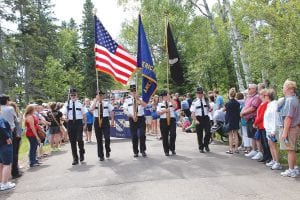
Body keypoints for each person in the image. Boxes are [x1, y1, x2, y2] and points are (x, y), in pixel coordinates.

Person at [279, 80, 300, 178]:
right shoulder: (295, 99)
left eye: (283, 87)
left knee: (290, 150)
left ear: (287, 88)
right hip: (295, 127)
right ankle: (295, 168)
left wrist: (284, 132)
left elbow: (288, 117)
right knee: (292, 149)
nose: (283, 89)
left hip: (290, 128)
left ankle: (291, 170)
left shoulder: (289, 100)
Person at [62, 88, 87, 165]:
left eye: (74, 95)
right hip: (70, 123)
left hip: (79, 123)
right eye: (71, 95)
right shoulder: (67, 104)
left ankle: (81, 152)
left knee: (79, 139)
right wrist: (64, 117)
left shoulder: (80, 103)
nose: (73, 96)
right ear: (70, 95)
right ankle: (75, 158)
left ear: (77, 95)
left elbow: (84, 114)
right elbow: (63, 113)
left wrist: (85, 124)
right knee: (72, 142)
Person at [123, 84, 147, 157]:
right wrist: (130, 115)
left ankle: (143, 150)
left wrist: (138, 99)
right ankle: (135, 151)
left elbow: (145, 105)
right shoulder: (127, 100)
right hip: (132, 118)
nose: (134, 92)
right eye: (132, 91)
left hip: (141, 118)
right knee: (134, 136)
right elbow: (124, 110)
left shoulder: (142, 98)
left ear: (137, 91)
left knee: (142, 134)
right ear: (130, 92)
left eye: (135, 90)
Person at [90, 91, 114, 161]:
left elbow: (112, 111)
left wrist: (112, 120)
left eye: (101, 95)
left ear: (103, 96)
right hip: (97, 120)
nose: (100, 97)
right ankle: (101, 155)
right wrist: (95, 101)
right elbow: (91, 109)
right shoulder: (94, 103)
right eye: (98, 95)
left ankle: (107, 150)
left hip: (105, 120)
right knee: (99, 139)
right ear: (96, 96)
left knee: (107, 137)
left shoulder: (107, 103)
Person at [0, 95, 20, 179]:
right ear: (7, 100)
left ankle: (3, 178)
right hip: (10, 131)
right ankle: (14, 172)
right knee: (14, 152)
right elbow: (16, 120)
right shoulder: (10, 109)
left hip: (2, 133)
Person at [240, 84, 262, 158]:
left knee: (256, 136)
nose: (248, 90)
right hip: (248, 119)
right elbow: (246, 106)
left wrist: (243, 112)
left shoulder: (257, 97)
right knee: (252, 136)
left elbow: (253, 108)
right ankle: (254, 150)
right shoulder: (249, 97)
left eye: (249, 89)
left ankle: (259, 151)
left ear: (254, 89)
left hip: (253, 118)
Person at [264, 89, 282, 170]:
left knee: (274, 146)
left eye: (265, 95)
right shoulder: (269, 104)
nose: (264, 97)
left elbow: (274, 118)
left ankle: (278, 162)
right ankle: (274, 160)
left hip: (272, 129)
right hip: (268, 129)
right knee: (270, 145)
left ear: (268, 96)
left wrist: (273, 131)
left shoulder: (274, 104)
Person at [190, 87, 212, 153]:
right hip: (198, 118)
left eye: (201, 93)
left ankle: (206, 144)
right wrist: (195, 120)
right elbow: (193, 113)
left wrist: (210, 109)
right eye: (198, 93)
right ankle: (201, 147)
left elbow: (209, 108)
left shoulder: (206, 100)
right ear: (196, 94)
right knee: (199, 134)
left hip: (206, 118)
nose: (200, 94)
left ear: (203, 93)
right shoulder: (194, 102)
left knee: (208, 132)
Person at [252, 89, 271, 162]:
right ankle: (265, 156)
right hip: (260, 125)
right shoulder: (262, 103)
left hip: (263, 125)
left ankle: (268, 157)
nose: (259, 96)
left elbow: (261, 116)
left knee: (265, 142)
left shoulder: (265, 104)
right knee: (263, 142)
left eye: (260, 94)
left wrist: (255, 123)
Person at [157, 91, 177, 156]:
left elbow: (175, 106)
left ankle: (172, 148)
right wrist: (165, 111)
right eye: (165, 96)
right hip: (163, 120)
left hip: (172, 119)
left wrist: (170, 99)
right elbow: (158, 113)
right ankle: (166, 151)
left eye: (167, 96)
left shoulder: (171, 102)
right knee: (165, 136)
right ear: (162, 97)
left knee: (173, 134)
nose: (166, 97)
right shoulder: (160, 104)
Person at [0, 117, 15, 191]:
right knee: (7, 164)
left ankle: (2, 182)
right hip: (4, 143)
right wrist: (7, 137)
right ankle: (5, 184)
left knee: (1, 164)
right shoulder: (0, 119)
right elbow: (1, 128)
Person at [224, 88, 241, 154]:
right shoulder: (237, 103)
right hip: (236, 119)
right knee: (236, 134)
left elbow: (224, 110)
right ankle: (236, 149)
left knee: (230, 135)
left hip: (229, 120)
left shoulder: (228, 103)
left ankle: (230, 149)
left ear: (229, 94)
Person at [9, 102, 23, 179]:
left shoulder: (15, 115)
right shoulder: (13, 116)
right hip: (16, 136)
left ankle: (15, 168)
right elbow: (18, 124)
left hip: (18, 135)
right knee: (15, 153)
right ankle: (15, 171)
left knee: (15, 153)